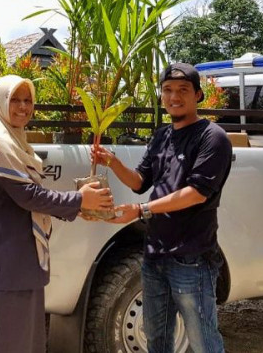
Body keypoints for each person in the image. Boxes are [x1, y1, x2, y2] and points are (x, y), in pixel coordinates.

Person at [93, 63, 233, 353]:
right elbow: (140, 181)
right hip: (155, 255)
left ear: (198, 96)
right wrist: (112, 162)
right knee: (157, 341)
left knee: (203, 342)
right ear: (161, 97)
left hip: (191, 259)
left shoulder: (212, 137)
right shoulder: (162, 136)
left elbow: (196, 193)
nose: (174, 97)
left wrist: (141, 211)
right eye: (167, 90)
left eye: (183, 90)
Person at [0, 75, 114, 353]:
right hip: (3, 265)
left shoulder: (18, 145)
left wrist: (78, 206)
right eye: (15, 99)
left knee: (24, 341)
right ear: (0, 102)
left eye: (28, 100)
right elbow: (29, 196)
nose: (23, 107)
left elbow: (28, 200)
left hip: (21, 263)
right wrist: (80, 200)